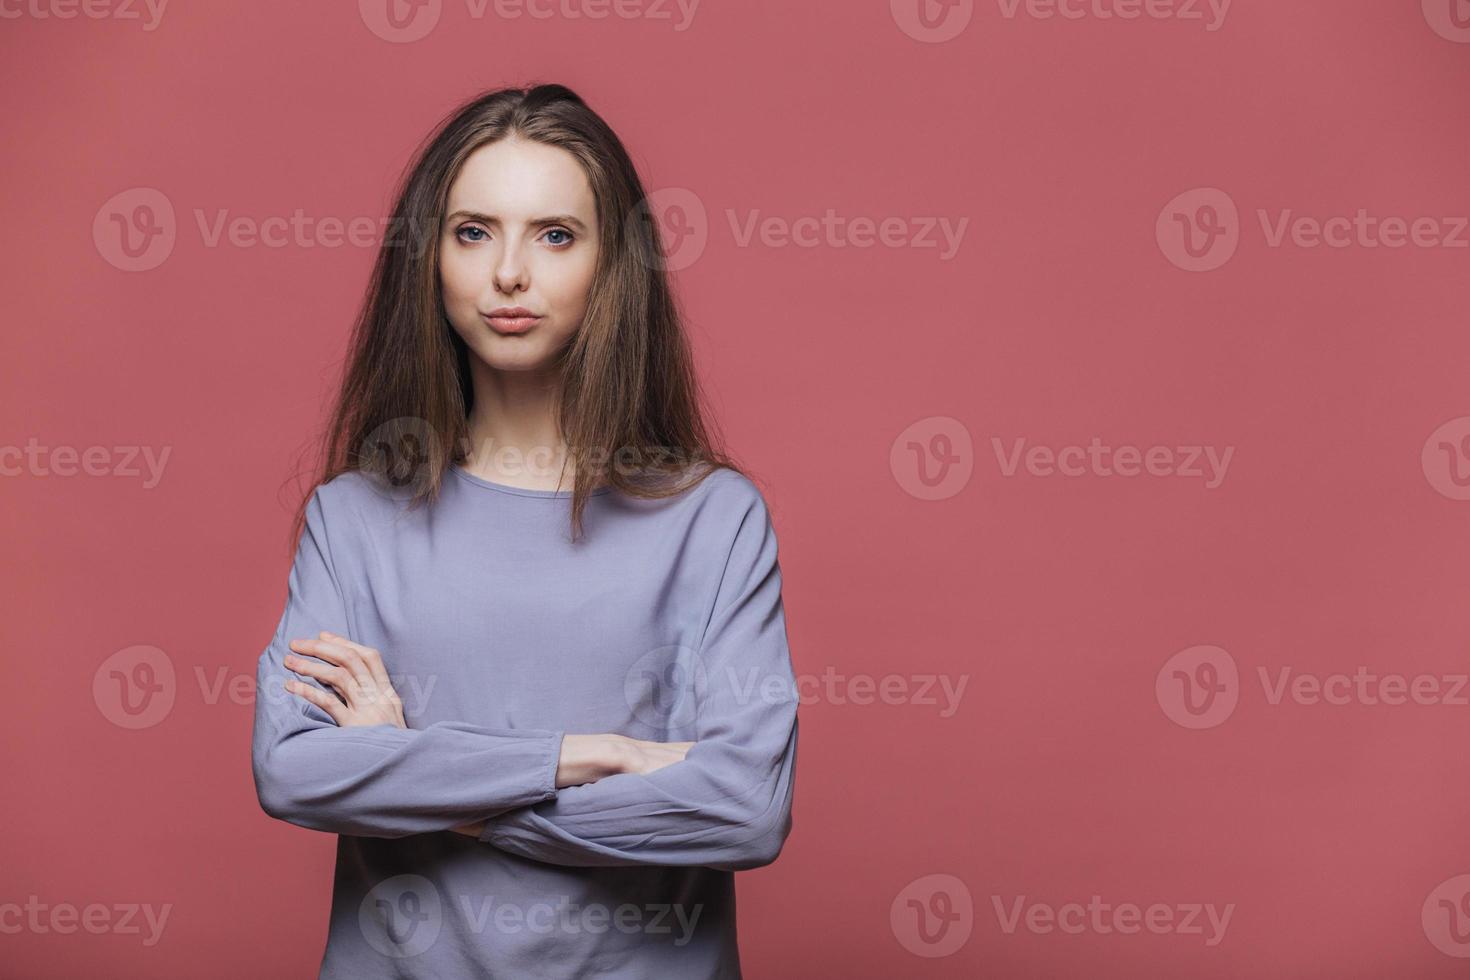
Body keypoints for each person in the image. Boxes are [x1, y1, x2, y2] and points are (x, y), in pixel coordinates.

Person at [249, 83, 799, 979]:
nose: (509, 272)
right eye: (473, 232)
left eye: (555, 234)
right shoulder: (350, 519)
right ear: (428, 259)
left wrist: (417, 781)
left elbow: (745, 810)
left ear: (611, 264)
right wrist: (590, 756)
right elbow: (295, 774)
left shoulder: (711, 518)